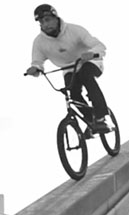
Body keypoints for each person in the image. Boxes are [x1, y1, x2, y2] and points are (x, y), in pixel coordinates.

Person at [24, 4, 110, 134]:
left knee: (86, 76)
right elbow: (37, 61)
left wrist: (91, 53)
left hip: (90, 61)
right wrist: (35, 68)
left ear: (56, 17)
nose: (45, 25)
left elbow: (99, 46)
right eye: (41, 22)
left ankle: (101, 117)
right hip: (69, 69)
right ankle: (91, 120)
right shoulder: (39, 42)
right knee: (73, 94)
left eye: (47, 20)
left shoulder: (75, 30)